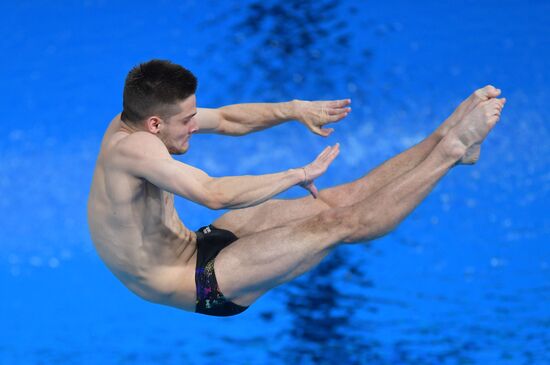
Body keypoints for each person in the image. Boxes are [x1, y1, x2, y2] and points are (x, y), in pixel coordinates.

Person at [87, 59, 506, 317]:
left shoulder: (139, 118)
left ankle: (443, 138)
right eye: (188, 120)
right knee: (339, 223)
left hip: (197, 245)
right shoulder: (136, 149)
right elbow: (211, 193)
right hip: (201, 282)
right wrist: (296, 174)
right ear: (155, 124)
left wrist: (292, 110)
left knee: (338, 199)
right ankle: (451, 150)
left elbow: (230, 120)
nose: (196, 125)